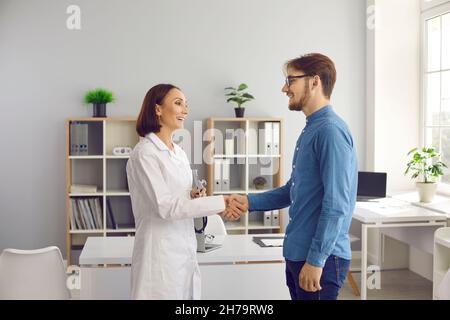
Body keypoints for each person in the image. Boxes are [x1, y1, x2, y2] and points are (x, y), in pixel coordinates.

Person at [225, 53, 358, 300]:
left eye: (291, 80)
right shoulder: (312, 129)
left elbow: (337, 205)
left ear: (314, 81)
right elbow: (293, 190)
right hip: (299, 254)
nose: (284, 88)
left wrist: (316, 260)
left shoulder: (330, 131)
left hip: (320, 259)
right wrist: (249, 202)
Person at [126, 84, 239, 300]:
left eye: (186, 105)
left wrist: (193, 196)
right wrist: (221, 202)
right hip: (159, 257)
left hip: (184, 250)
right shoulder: (145, 154)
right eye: (178, 103)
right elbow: (166, 207)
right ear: (158, 109)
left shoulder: (178, 152)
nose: (185, 111)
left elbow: (180, 199)